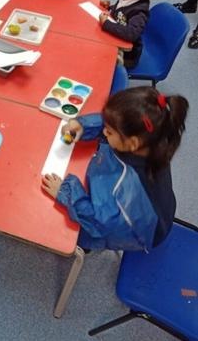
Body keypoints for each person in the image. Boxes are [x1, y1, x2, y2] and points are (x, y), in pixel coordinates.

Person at [42, 87, 188, 251]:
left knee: (72, 230)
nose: (105, 131)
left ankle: (82, 249)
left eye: (109, 132)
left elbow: (101, 224)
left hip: (144, 232)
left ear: (133, 143)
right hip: (155, 209)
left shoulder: (129, 186)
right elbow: (118, 124)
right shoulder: (153, 141)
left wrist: (67, 193)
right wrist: (83, 125)